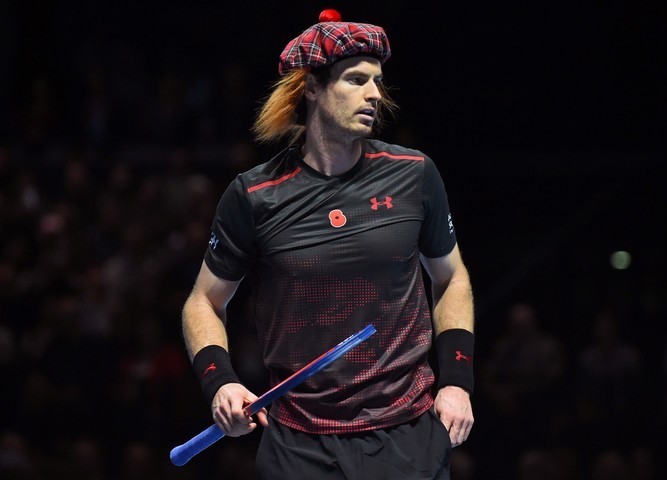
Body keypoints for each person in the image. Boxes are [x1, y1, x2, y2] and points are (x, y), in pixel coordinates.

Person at [181, 9, 476, 479]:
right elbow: (203, 301)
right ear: (312, 87)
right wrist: (220, 383)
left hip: (406, 435)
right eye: (357, 80)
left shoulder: (414, 174)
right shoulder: (255, 195)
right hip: (298, 445)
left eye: (377, 81)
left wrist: (457, 381)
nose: (374, 94)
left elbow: (451, 277)